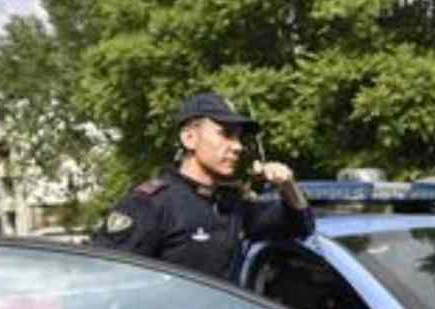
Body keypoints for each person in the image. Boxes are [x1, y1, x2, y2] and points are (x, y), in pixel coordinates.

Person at [93, 92, 315, 281]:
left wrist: (287, 185)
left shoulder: (232, 204)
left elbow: (301, 225)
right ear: (189, 138)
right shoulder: (149, 205)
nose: (237, 146)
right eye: (226, 134)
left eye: (239, 137)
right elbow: (101, 275)